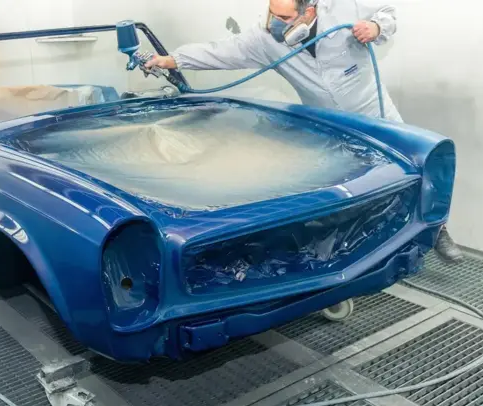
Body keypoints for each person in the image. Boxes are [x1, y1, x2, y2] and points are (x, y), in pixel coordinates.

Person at [145, 0, 463, 263]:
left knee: (417, 168)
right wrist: (171, 60)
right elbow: (221, 51)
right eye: (272, 13)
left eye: (284, 17)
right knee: (346, 185)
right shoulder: (266, 39)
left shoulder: (344, 9)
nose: (275, 23)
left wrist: (376, 27)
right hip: (330, 124)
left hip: (374, 110)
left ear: (309, 10)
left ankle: (438, 230)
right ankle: (356, 251)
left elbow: (386, 15)